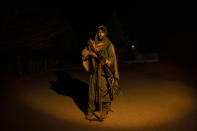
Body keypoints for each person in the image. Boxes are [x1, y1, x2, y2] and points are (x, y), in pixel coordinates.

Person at [81, 25, 120, 121]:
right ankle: (90, 110)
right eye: (99, 32)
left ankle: (105, 110)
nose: (100, 34)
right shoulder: (92, 44)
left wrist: (107, 61)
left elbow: (112, 57)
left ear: (105, 33)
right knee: (92, 91)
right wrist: (90, 54)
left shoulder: (109, 44)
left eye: (102, 32)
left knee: (104, 90)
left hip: (104, 71)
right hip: (94, 71)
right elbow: (84, 52)